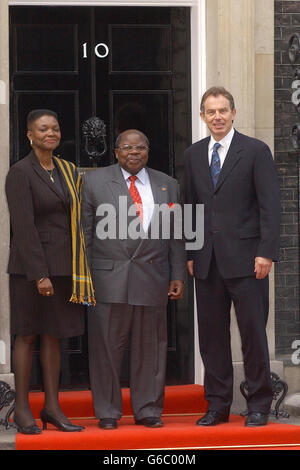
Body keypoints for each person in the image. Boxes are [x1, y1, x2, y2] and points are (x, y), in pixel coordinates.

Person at [184, 87, 281, 427]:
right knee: (211, 338)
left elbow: (271, 205)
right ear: (202, 116)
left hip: (248, 260)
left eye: (223, 110)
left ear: (234, 113)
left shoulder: (255, 151)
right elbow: (190, 208)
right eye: (211, 112)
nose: (218, 117)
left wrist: (266, 252)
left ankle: (258, 404)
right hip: (207, 262)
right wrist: (191, 252)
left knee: (253, 334)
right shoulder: (194, 155)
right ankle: (218, 405)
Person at [82, 129, 186, 430]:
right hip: (107, 279)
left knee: (150, 347)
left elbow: (176, 235)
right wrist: (84, 279)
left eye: (140, 147)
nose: (134, 152)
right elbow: (85, 235)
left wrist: (177, 274)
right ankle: (108, 412)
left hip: (152, 276)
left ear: (148, 151)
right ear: (115, 152)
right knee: (105, 348)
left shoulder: (168, 185)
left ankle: (148, 409)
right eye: (127, 147)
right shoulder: (93, 182)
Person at [5, 109, 95, 434]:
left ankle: (53, 407)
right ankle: (24, 410)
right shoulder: (20, 172)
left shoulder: (67, 170)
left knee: (54, 335)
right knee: (27, 334)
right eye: (43, 129)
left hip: (64, 267)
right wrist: (39, 274)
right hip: (32, 269)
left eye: (55, 128)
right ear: (30, 134)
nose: (50, 133)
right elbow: (24, 227)